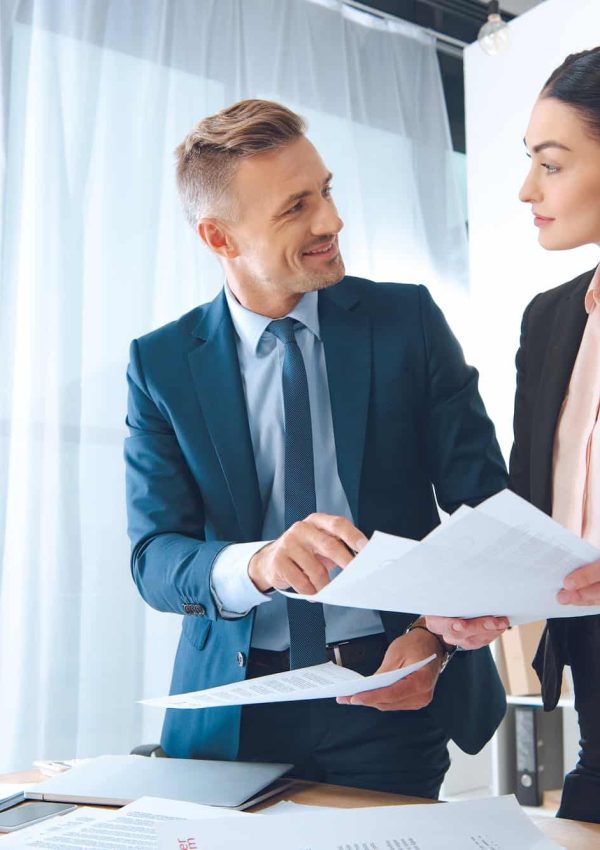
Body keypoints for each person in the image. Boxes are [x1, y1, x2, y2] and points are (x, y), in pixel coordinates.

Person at [125, 98, 507, 800]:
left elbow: (488, 509)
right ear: (219, 237)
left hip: (389, 688)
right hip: (234, 712)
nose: (330, 222)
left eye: (326, 191)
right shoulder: (162, 365)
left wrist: (434, 635)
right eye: (295, 207)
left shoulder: (407, 322)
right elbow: (155, 559)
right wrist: (260, 563)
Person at [426, 48, 600, 823]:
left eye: (551, 164)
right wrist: (476, 592)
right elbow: (539, 514)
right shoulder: (552, 319)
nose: (528, 190)